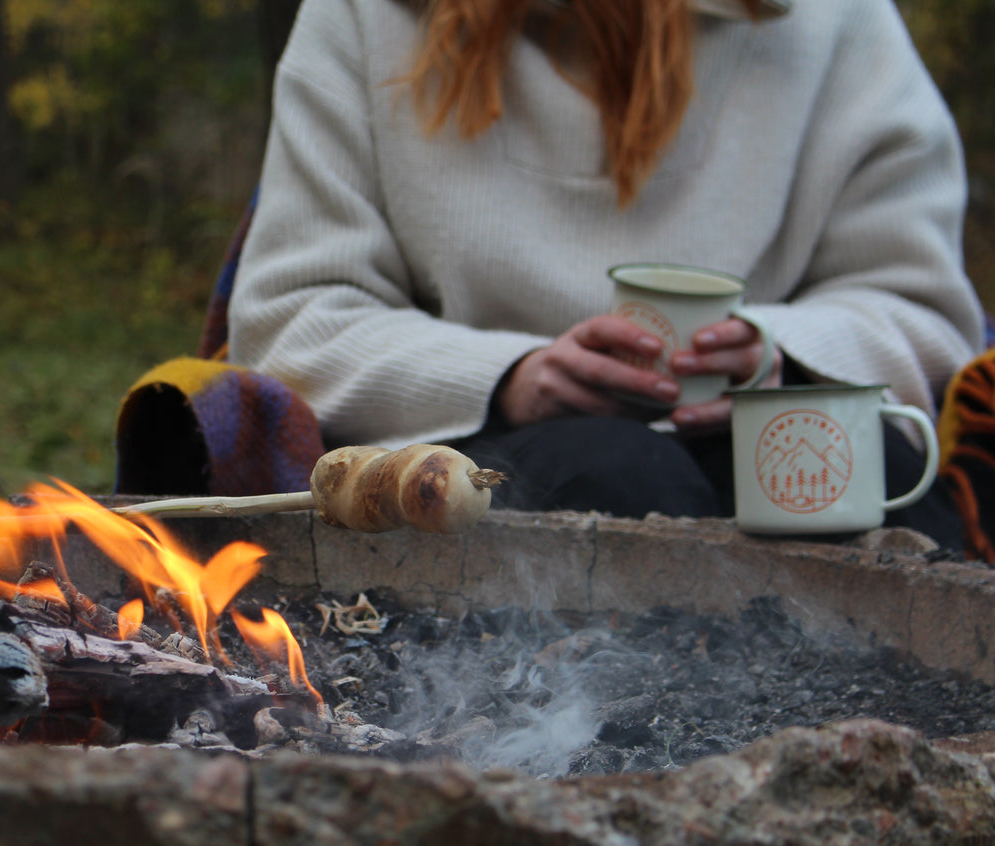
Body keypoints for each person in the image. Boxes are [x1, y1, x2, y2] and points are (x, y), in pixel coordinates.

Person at [227, 0, 985, 549]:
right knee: (614, 475)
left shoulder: (834, 23)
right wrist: (510, 377)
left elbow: (918, 309)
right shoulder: (365, 17)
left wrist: (775, 354)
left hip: (766, 429)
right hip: (495, 448)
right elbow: (292, 318)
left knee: (875, 475)